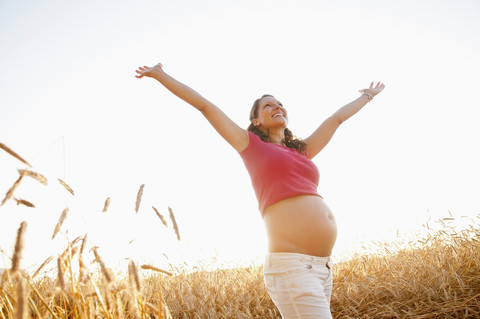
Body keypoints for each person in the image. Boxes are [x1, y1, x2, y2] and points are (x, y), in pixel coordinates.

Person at [135, 63, 385, 318]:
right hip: (291, 268)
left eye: (279, 103)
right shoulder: (251, 145)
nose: (277, 106)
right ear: (255, 120)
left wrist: (367, 96)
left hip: (323, 268)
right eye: (268, 105)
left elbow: (336, 120)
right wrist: (161, 75)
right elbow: (205, 106)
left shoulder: (301, 151)